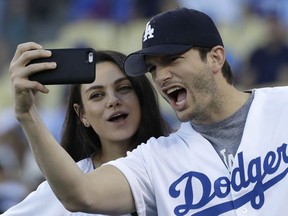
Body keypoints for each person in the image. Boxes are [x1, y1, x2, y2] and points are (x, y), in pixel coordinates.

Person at [9, 7, 288, 215]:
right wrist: (27, 115)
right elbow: (80, 194)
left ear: (215, 57)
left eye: (171, 60)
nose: (161, 76)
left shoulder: (282, 106)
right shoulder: (156, 158)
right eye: (153, 68)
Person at [4, 49, 171, 215]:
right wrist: (25, 113)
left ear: (141, 97)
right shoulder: (64, 186)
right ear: (82, 114)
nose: (113, 101)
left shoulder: (176, 159)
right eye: (97, 95)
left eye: (124, 88)